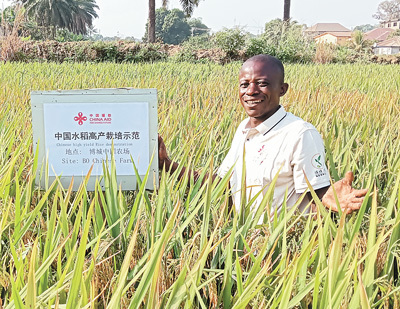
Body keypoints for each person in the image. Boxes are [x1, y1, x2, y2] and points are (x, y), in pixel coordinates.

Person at [158, 54, 367, 217]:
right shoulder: (244, 130)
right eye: (244, 84)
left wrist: (332, 198)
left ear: (282, 89)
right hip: (244, 247)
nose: (251, 91)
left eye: (262, 83)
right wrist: (166, 164)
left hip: (281, 252)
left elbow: (319, 193)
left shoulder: (300, 134)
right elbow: (221, 185)